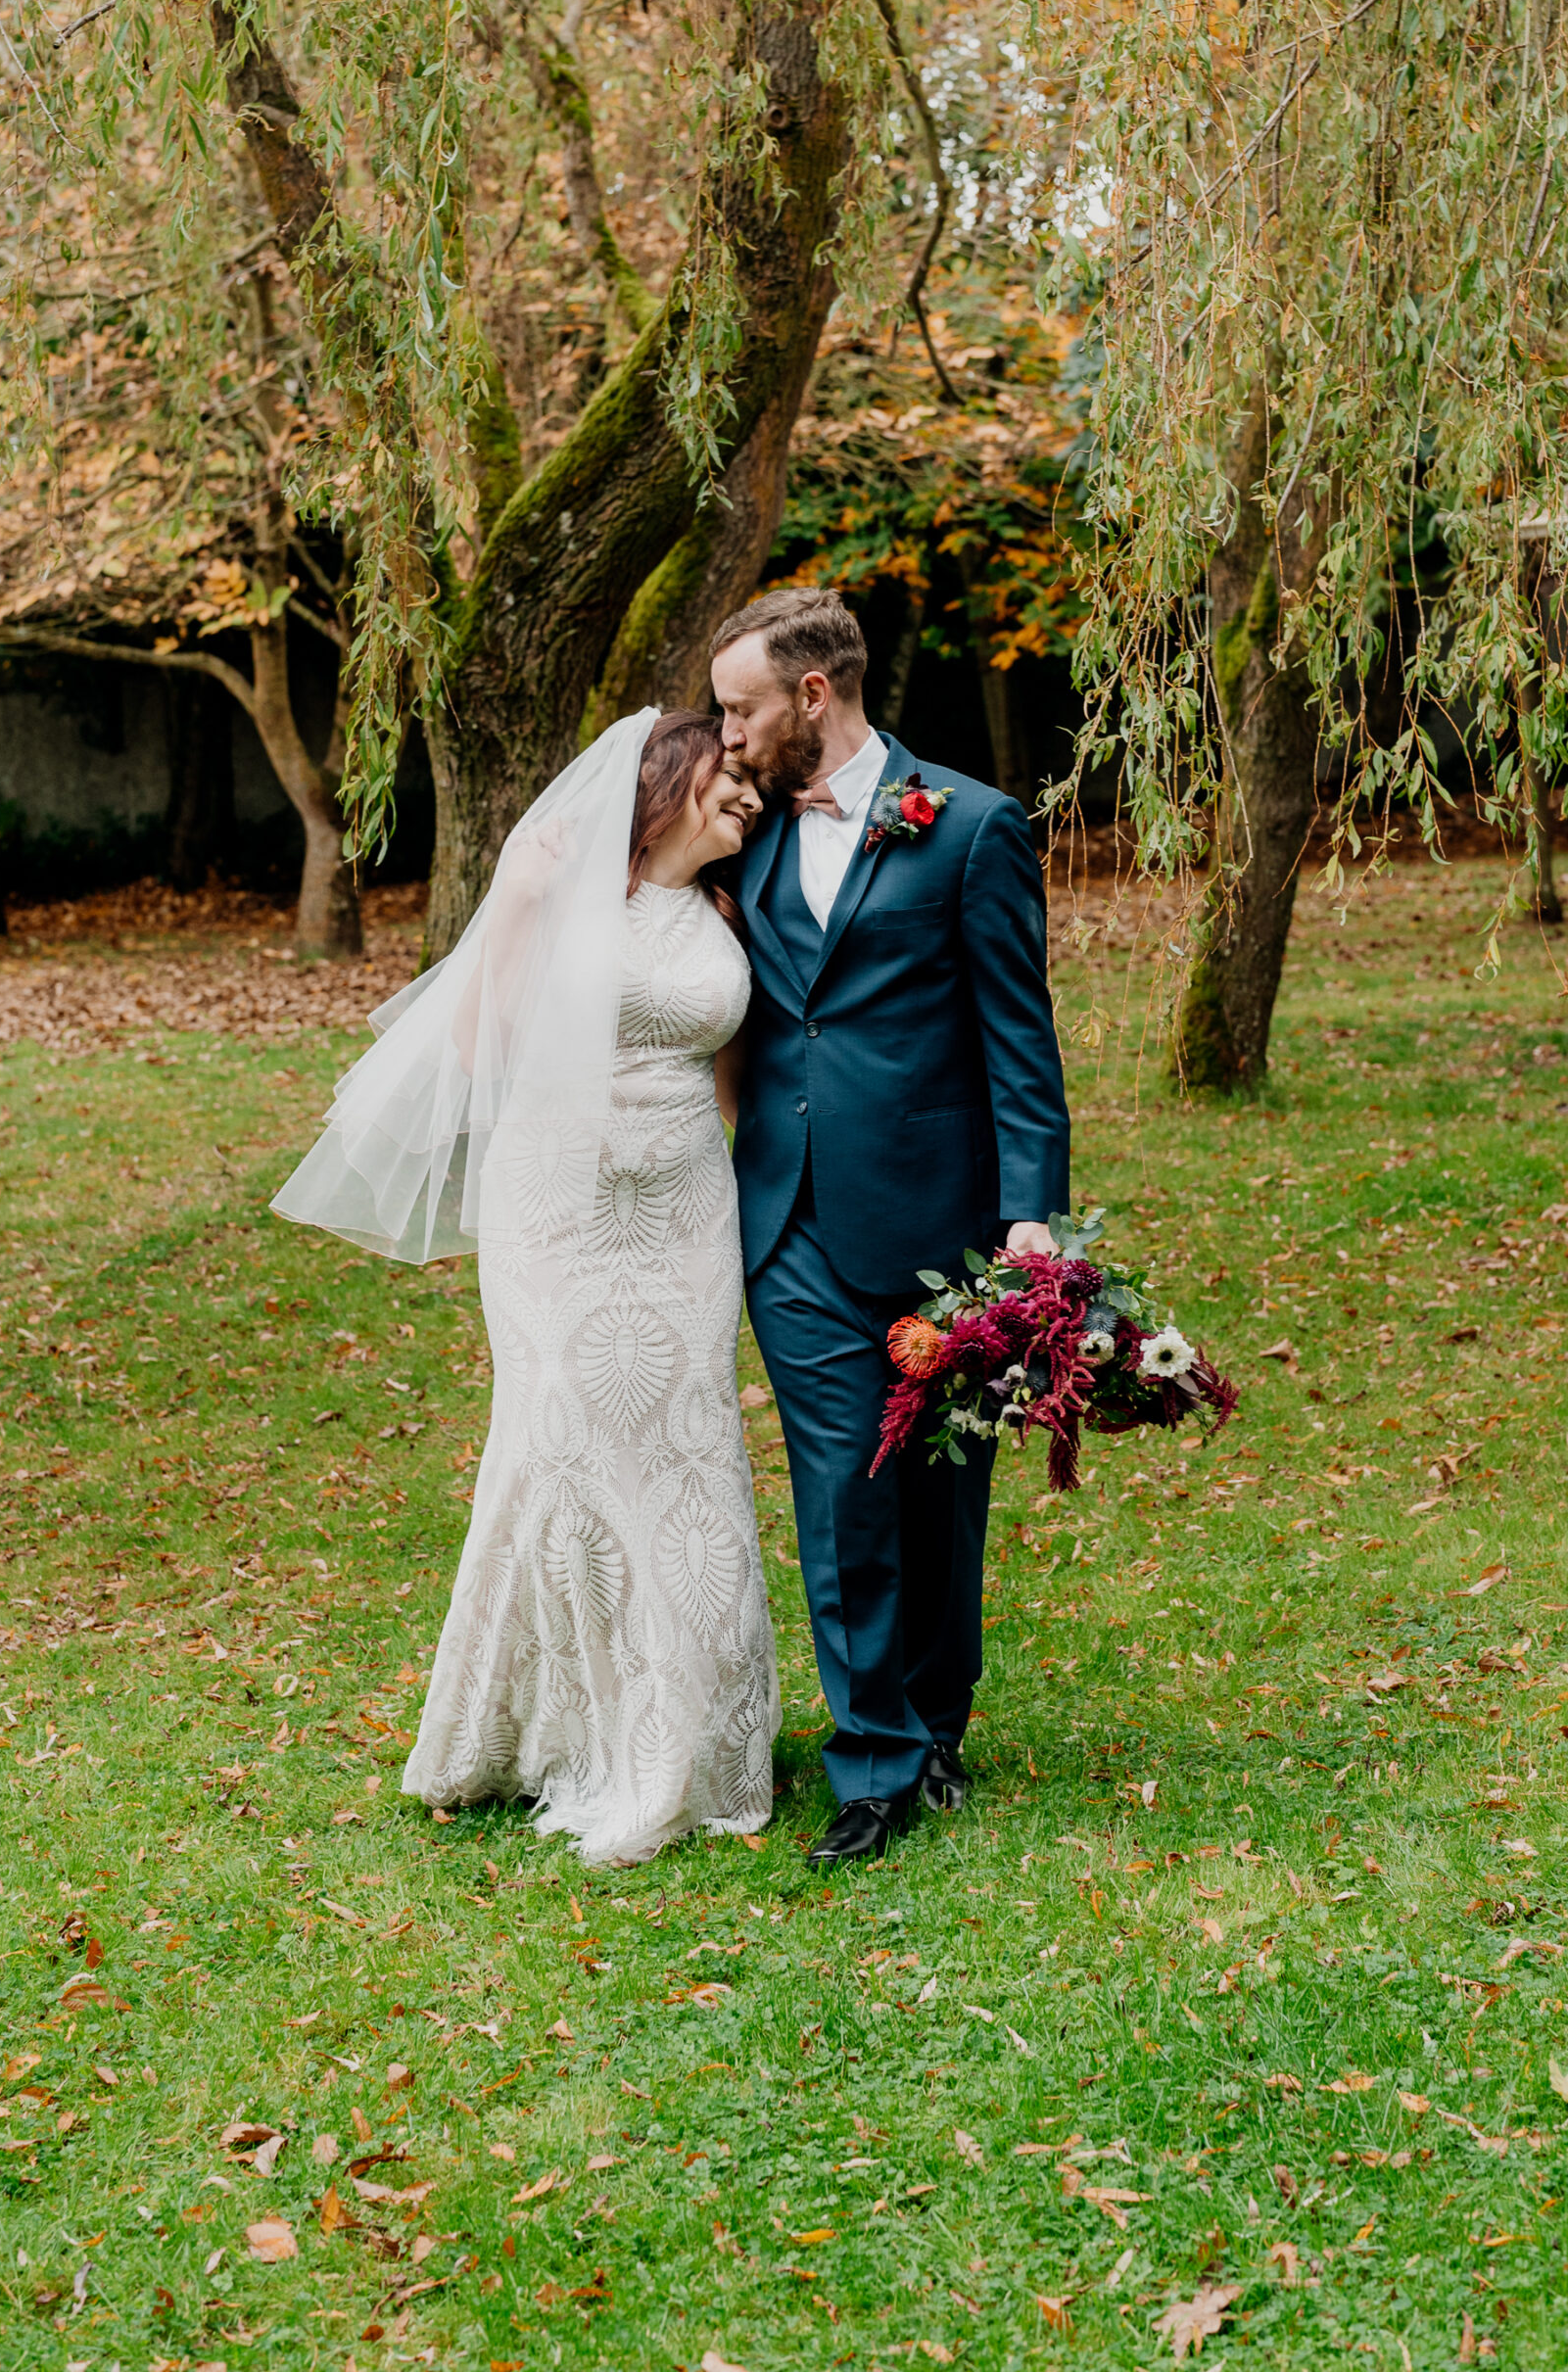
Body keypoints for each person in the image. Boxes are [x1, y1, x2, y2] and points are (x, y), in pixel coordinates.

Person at [271, 710, 779, 1867]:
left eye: (748, 783)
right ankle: (568, 1723)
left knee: (686, 1444)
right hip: (559, 1208)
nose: (746, 795)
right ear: (664, 786)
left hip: (688, 1216)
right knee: (569, 1445)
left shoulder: (723, 915)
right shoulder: (557, 892)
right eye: (726, 777)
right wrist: (514, 902)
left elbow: (738, 1079)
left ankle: (695, 1728)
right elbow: (474, 1046)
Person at [711, 588, 1070, 1869]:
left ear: (813, 695)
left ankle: (935, 1723)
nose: (727, 732)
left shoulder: (967, 828)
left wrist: (1030, 1218)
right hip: (789, 1217)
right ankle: (868, 1762)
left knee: (938, 1491)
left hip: (941, 1225)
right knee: (838, 1485)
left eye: (742, 707)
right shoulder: (736, 829)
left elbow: (1015, 1041)